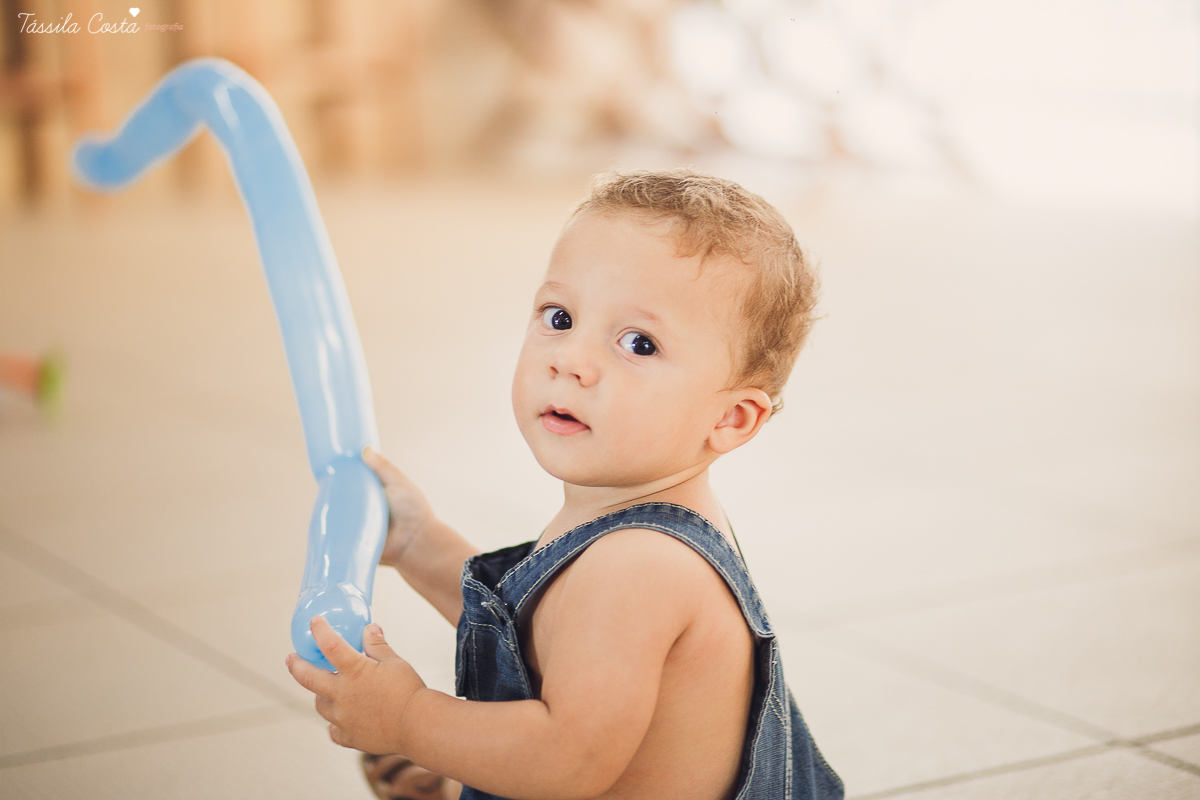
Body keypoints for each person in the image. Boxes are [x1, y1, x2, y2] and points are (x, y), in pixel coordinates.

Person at [286, 169, 843, 800]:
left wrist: (410, 719)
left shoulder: (641, 566)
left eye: (638, 343)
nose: (571, 359)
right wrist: (420, 542)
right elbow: (535, 636)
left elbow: (564, 761)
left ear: (730, 418)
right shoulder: (631, 519)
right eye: (559, 317)